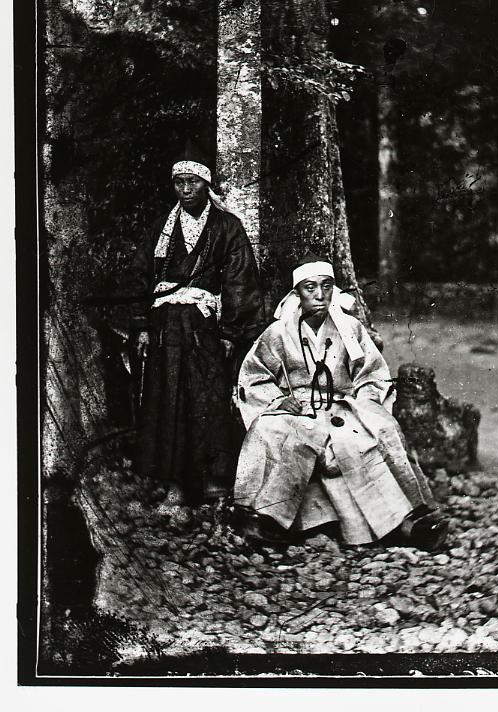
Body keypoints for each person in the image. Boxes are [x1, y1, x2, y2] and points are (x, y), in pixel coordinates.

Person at [232, 256, 449, 548]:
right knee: (279, 434)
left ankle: (408, 523)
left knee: (370, 435)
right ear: (297, 292)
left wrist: (366, 402)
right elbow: (254, 377)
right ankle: (266, 520)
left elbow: (372, 374)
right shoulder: (278, 332)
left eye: (326, 286)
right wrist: (279, 400)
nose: (319, 295)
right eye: (310, 287)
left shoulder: (350, 328)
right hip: (296, 410)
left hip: (342, 406)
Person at [128, 153, 265, 509]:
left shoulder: (227, 227)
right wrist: (141, 326)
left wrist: (230, 332)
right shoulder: (162, 228)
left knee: (208, 399)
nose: (186, 189)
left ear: (206, 185)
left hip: (205, 328)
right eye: (179, 182)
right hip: (165, 328)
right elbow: (141, 275)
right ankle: (171, 482)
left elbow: (239, 279)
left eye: (193, 182)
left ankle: (212, 481)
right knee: (166, 398)